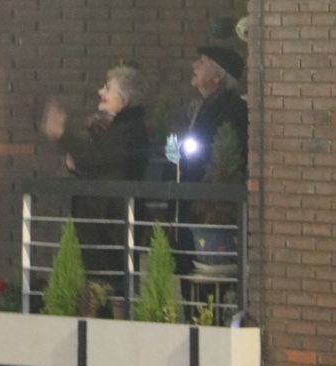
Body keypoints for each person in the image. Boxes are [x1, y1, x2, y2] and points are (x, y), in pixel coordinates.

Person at [41, 65, 149, 293]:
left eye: (108, 88)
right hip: (99, 218)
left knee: (113, 287)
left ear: (124, 99)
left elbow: (96, 158)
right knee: (97, 284)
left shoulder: (130, 130)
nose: (101, 92)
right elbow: (91, 162)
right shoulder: (112, 128)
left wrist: (63, 135)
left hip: (112, 222)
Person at [174, 44, 247, 182]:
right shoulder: (196, 107)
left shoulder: (235, 110)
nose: (194, 65)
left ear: (218, 77)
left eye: (203, 62)